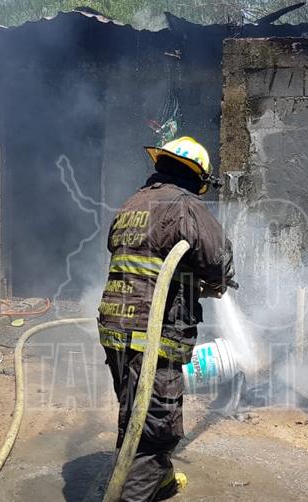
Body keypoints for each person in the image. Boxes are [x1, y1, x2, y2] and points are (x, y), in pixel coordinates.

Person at [98, 136, 235, 501]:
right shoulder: (184, 205)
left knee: (136, 415)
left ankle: (158, 481)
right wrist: (218, 281)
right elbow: (218, 260)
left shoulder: (132, 204)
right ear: (197, 177)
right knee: (157, 429)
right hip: (152, 334)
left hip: (116, 330)